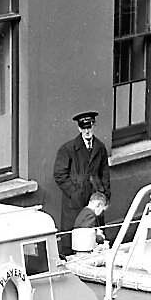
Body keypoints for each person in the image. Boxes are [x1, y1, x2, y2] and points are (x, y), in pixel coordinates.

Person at [53, 110, 110, 257]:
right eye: (84, 128)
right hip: (75, 202)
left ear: (94, 126)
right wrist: (74, 193)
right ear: (79, 128)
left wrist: (104, 195)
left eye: (89, 127)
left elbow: (104, 173)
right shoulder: (68, 149)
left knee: (96, 234)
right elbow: (59, 175)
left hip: (95, 199)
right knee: (74, 237)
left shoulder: (100, 147)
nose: (87, 131)